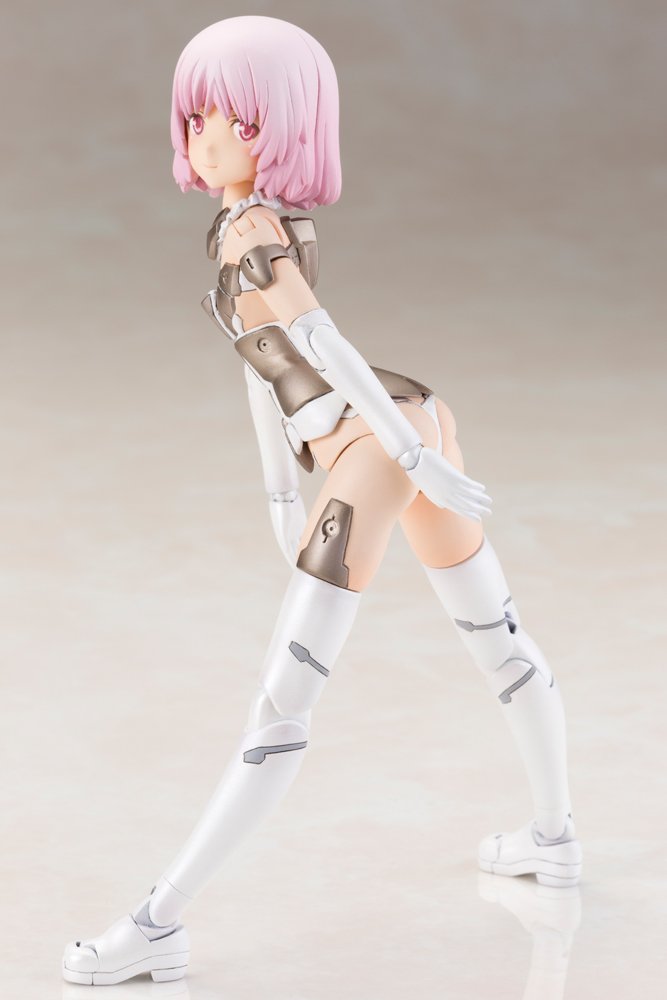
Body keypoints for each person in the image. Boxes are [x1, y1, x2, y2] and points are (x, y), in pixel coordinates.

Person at [62, 15, 581, 986]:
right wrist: (279, 487)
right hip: (396, 422)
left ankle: (159, 921)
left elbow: (321, 341)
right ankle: (553, 840)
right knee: (496, 638)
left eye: (232, 116)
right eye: (197, 114)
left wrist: (406, 457)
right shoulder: (253, 221)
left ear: (278, 128)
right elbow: (260, 365)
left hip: (373, 443)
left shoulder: (255, 232)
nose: (205, 135)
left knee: (281, 712)